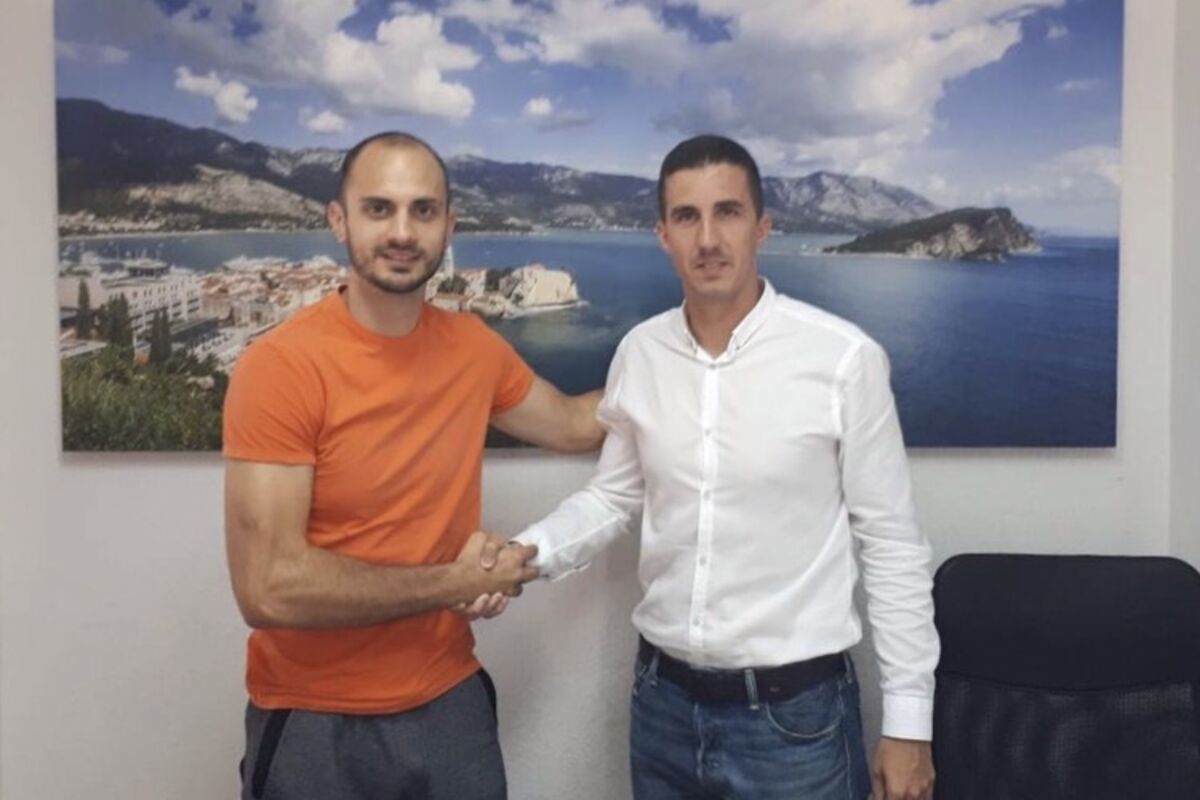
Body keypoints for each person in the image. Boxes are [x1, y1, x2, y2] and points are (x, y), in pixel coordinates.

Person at [509, 135, 939, 800]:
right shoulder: (640, 353)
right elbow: (613, 497)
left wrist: (910, 725)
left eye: (728, 212)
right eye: (687, 217)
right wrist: (525, 554)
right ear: (663, 235)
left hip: (797, 724)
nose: (708, 239)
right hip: (662, 709)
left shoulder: (843, 359)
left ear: (762, 226)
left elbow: (891, 544)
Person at [222, 131, 603, 800]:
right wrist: (455, 581)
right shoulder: (280, 367)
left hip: (448, 700)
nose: (402, 231)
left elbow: (573, 423)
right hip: (315, 718)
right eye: (379, 208)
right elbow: (268, 588)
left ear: (448, 225)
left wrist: (685, 367)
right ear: (338, 220)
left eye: (423, 210)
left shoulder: (474, 348)